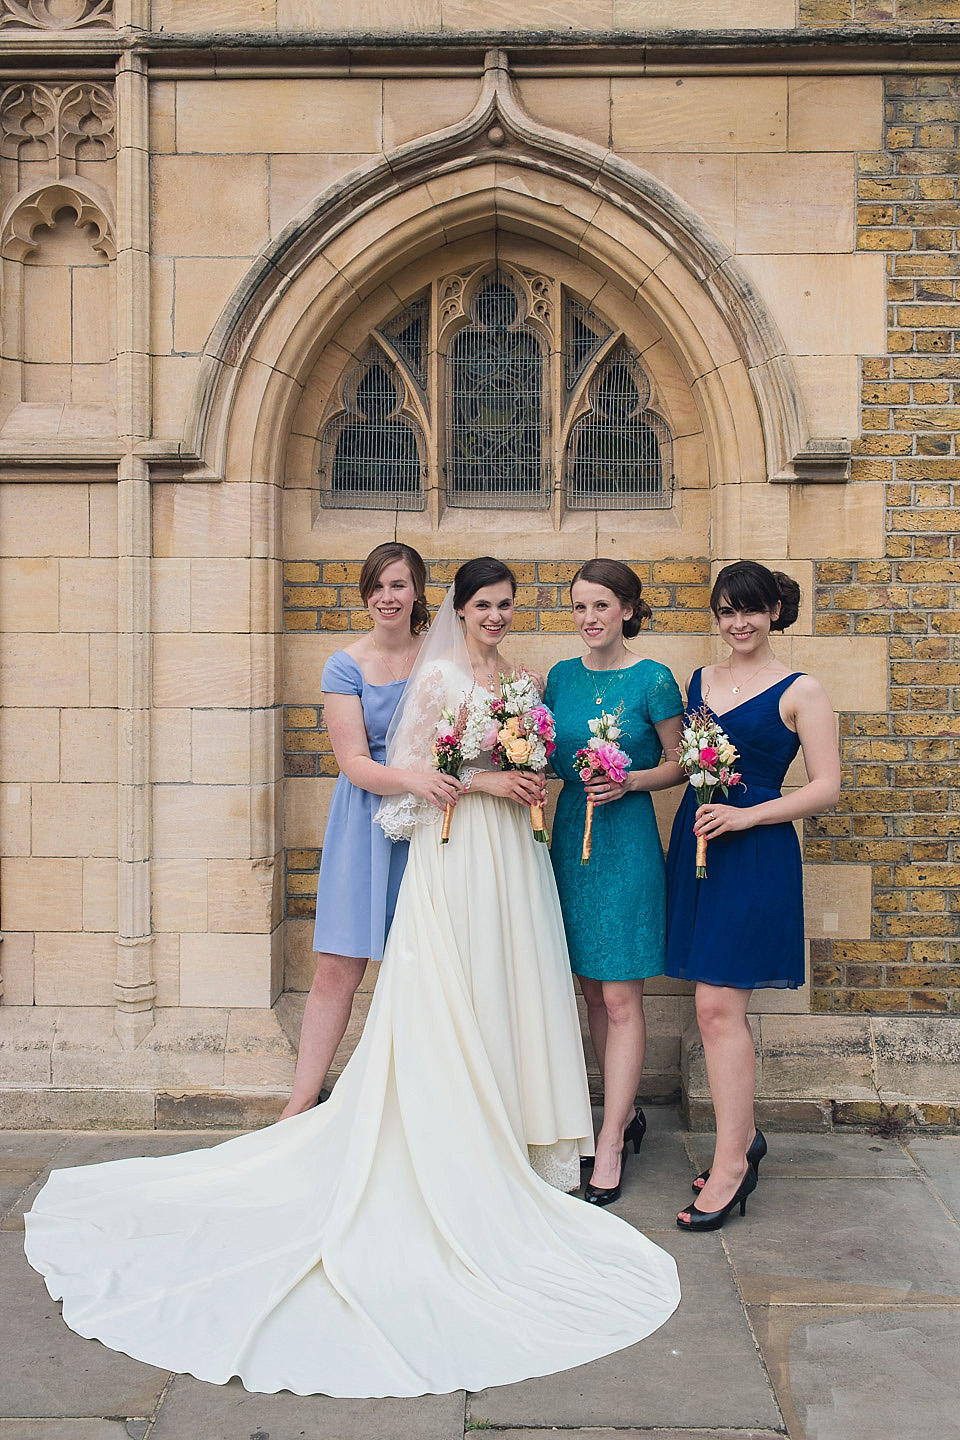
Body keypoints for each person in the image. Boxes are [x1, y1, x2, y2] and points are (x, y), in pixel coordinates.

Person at [24, 556, 680, 1399]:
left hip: (517, 857)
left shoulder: (527, 678)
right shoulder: (438, 677)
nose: (496, 615)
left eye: (507, 604)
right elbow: (407, 782)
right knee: (447, 993)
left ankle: (517, 1132)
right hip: (455, 849)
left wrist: (535, 778)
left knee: (513, 990)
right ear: (459, 607)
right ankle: (432, 1132)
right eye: (483, 603)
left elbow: (545, 763)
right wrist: (483, 779)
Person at [665, 561, 841, 1232]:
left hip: (756, 849)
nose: (738, 623)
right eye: (726, 611)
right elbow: (687, 764)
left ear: (774, 611)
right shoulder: (701, 682)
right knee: (710, 1006)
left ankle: (733, 1163)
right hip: (701, 841)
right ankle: (744, 1138)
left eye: (751, 610)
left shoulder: (803, 690)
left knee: (716, 1009)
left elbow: (826, 787)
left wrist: (746, 816)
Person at [281, 541, 460, 1119]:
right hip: (365, 822)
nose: (388, 597)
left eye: (399, 585)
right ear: (366, 596)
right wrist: (415, 777)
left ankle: (411, 1104)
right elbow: (355, 761)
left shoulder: (441, 663)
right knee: (340, 963)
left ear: (417, 594)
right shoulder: (345, 665)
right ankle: (302, 1098)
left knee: (426, 963)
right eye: (378, 587)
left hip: (430, 823)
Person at [545, 559, 684, 1207]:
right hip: (570, 837)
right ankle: (622, 1115)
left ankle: (609, 1137)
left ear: (628, 609)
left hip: (625, 838)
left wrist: (630, 780)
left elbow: (681, 764)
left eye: (601, 605)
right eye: (579, 607)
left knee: (623, 996)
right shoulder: (560, 678)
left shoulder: (654, 679)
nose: (589, 618)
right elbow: (541, 754)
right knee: (592, 994)